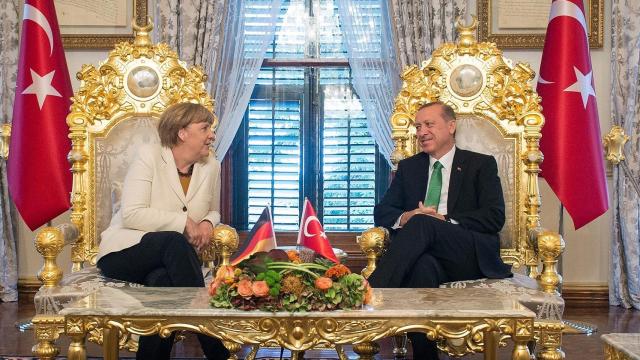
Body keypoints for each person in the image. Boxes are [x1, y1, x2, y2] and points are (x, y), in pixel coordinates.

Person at [367, 102, 512, 359]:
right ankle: (425, 356)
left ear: (451, 126)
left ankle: (369, 292)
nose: (421, 132)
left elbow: (494, 217)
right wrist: (407, 215)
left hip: (467, 253)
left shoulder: (480, 164)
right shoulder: (410, 167)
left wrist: (443, 219)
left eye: (429, 124)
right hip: (424, 253)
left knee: (424, 223)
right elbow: (383, 211)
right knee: (422, 265)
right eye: (418, 126)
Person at [97, 102, 229, 360]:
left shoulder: (211, 165)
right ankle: (216, 350)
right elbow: (132, 213)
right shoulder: (150, 156)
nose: (212, 135)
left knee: (161, 283)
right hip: (125, 252)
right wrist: (184, 223)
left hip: (170, 261)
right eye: (205, 128)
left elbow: (213, 210)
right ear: (182, 133)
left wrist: (207, 223)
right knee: (173, 240)